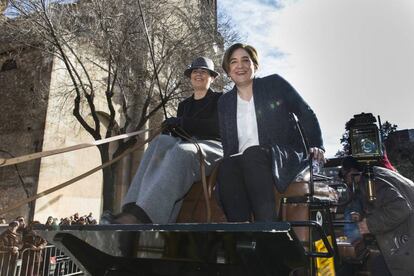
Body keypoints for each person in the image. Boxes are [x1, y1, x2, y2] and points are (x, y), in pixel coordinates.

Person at [105, 56, 223, 224]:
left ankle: (145, 218)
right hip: (186, 144)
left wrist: (183, 122)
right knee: (160, 141)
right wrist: (172, 129)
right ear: (190, 76)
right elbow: (181, 133)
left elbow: (217, 127)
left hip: (212, 146)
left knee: (182, 152)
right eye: (195, 71)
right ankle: (131, 209)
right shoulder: (184, 105)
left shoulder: (220, 99)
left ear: (212, 77)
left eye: (204, 72)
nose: (199, 74)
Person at [217, 43, 325, 222]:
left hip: (281, 152)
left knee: (253, 154)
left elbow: (305, 112)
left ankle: (267, 228)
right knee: (227, 165)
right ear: (228, 71)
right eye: (234, 62)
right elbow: (227, 143)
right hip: (242, 159)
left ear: (255, 65)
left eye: (246, 60)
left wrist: (316, 144)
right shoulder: (224, 102)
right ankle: (241, 231)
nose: (240, 66)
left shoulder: (274, 84)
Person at [339, 156, 414, 275]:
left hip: (408, 239)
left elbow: (400, 208)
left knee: (380, 267)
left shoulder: (370, 180)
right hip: (407, 233)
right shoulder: (377, 174)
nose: (345, 181)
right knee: (379, 264)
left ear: (352, 171)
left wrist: (369, 224)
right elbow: (384, 204)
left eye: (344, 176)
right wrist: (363, 216)